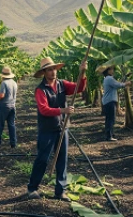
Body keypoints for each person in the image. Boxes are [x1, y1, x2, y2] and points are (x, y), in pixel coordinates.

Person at [26, 57, 87, 201]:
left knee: (62, 160)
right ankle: (32, 188)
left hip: (62, 127)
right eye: (49, 70)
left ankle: (60, 191)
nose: (53, 72)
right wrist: (63, 110)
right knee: (42, 159)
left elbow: (79, 88)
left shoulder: (62, 84)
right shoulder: (40, 90)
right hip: (47, 129)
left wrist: (82, 73)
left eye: (54, 69)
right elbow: (44, 110)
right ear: (44, 72)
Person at [97, 65, 131, 141]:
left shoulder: (107, 79)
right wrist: (127, 83)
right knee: (111, 119)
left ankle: (110, 134)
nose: (113, 71)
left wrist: (125, 76)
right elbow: (118, 85)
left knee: (109, 119)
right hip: (109, 101)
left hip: (107, 101)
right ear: (108, 71)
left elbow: (118, 83)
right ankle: (109, 136)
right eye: (112, 69)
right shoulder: (109, 79)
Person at [0, 66, 18, 148]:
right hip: (12, 106)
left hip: (4, 106)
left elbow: (2, 95)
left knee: (0, 124)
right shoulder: (14, 83)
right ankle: (13, 143)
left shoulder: (4, 83)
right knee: (11, 125)